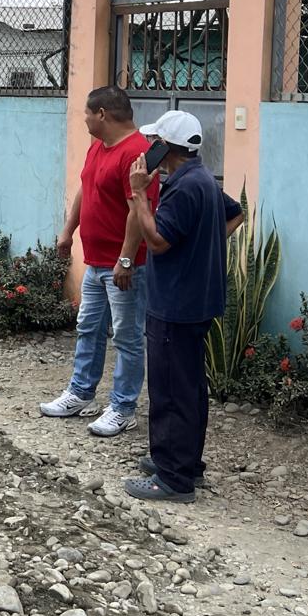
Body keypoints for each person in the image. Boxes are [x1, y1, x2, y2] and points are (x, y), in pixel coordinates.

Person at [124, 110, 244, 503]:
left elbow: (158, 242)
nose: (148, 148)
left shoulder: (182, 188)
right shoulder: (203, 178)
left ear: (165, 147)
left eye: (153, 142)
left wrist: (139, 194)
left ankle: (173, 479)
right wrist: (200, 245)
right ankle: (184, 462)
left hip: (175, 305)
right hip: (197, 301)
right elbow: (236, 213)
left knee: (171, 389)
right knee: (189, 386)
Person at [39, 86, 159, 436]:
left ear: (103, 114)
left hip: (124, 267)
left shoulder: (136, 154)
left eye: (87, 114)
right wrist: (68, 231)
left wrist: (126, 259)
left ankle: (123, 408)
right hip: (96, 263)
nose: (85, 120)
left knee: (127, 338)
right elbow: (85, 188)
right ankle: (80, 393)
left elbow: (138, 211)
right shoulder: (98, 147)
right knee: (88, 328)